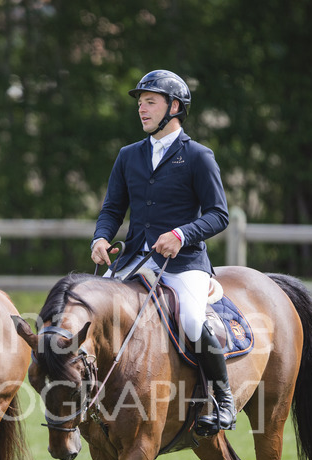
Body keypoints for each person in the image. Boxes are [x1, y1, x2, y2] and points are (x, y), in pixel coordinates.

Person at [90, 69, 235, 434]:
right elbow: (111, 210)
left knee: (190, 320)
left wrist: (182, 234)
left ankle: (223, 398)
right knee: (90, 312)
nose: (142, 109)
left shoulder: (199, 156)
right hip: (135, 260)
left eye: (150, 102)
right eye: (140, 103)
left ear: (174, 107)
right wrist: (100, 238)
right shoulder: (128, 156)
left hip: (183, 263)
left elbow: (219, 215)